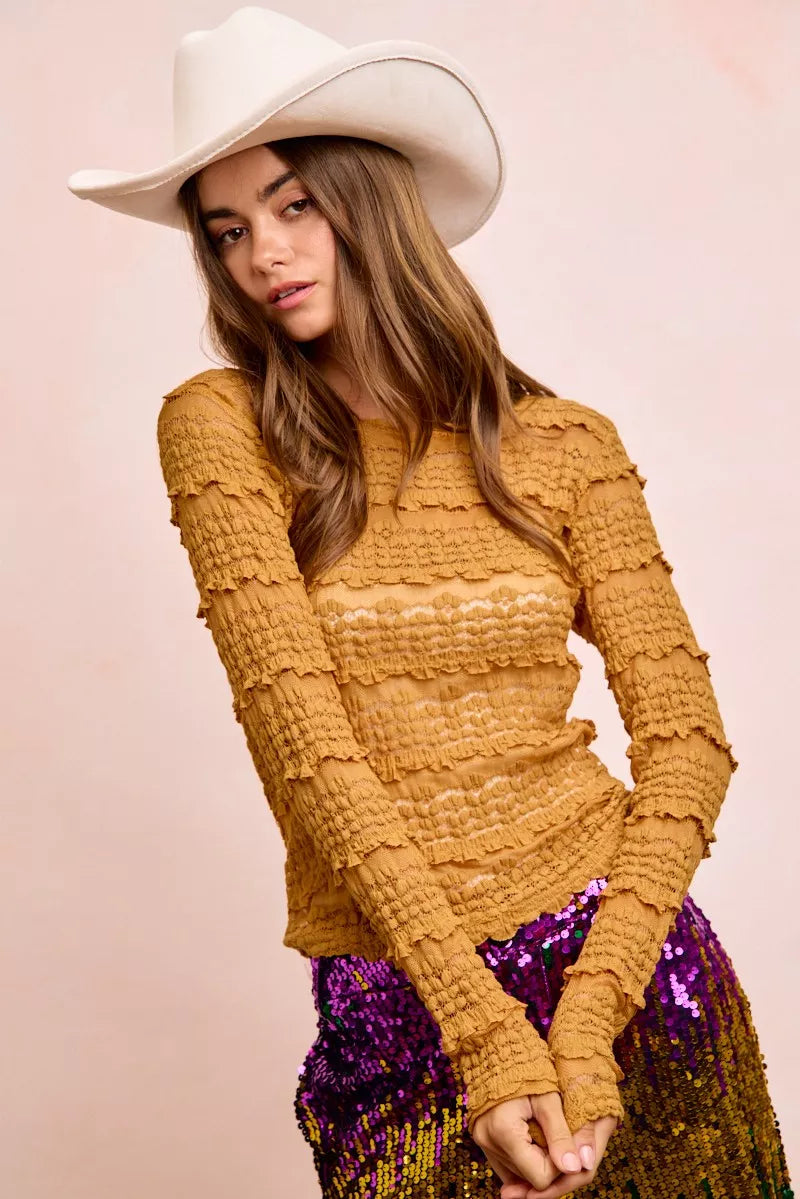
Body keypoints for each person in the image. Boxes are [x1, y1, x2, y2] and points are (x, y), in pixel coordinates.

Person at [67, 9, 793, 1198]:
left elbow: (687, 742)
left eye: (295, 204)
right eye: (228, 228)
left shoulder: (564, 444)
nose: (262, 255)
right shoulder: (221, 428)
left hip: (627, 972)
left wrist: (586, 1022)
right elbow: (307, 752)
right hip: (406, 1002)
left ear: (372, 201)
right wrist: (484, 1031)